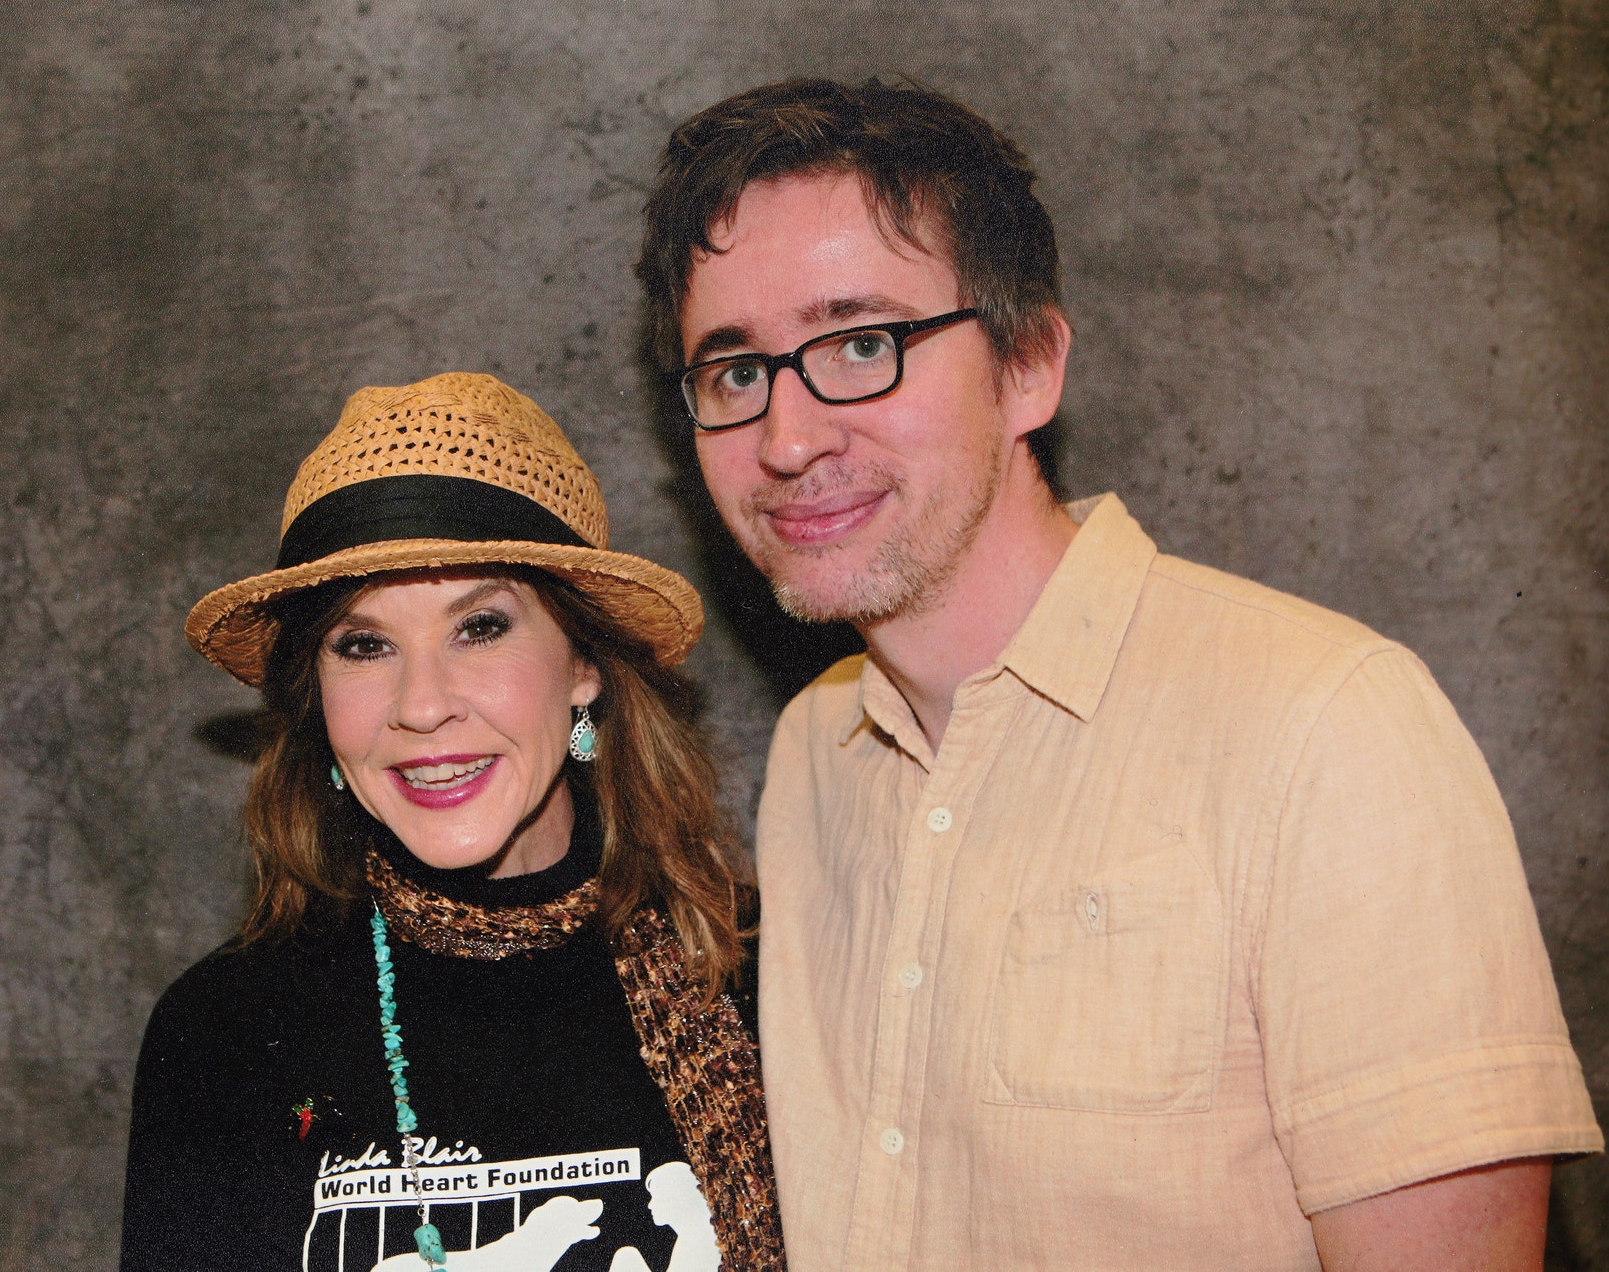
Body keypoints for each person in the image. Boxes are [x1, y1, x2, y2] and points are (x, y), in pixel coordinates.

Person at [634, 78, 1602, 1271]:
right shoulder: (812, 760)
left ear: (1030, 366)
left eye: (863, 345)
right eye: (736, 372)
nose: (787, 438)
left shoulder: (1325, 726)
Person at [120, 372, 784, 1272]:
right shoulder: (225, 1034)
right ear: (318, 699)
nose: (422, 706)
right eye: (364, 645)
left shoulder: (765, 978)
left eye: (479, 627)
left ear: (583, 664)